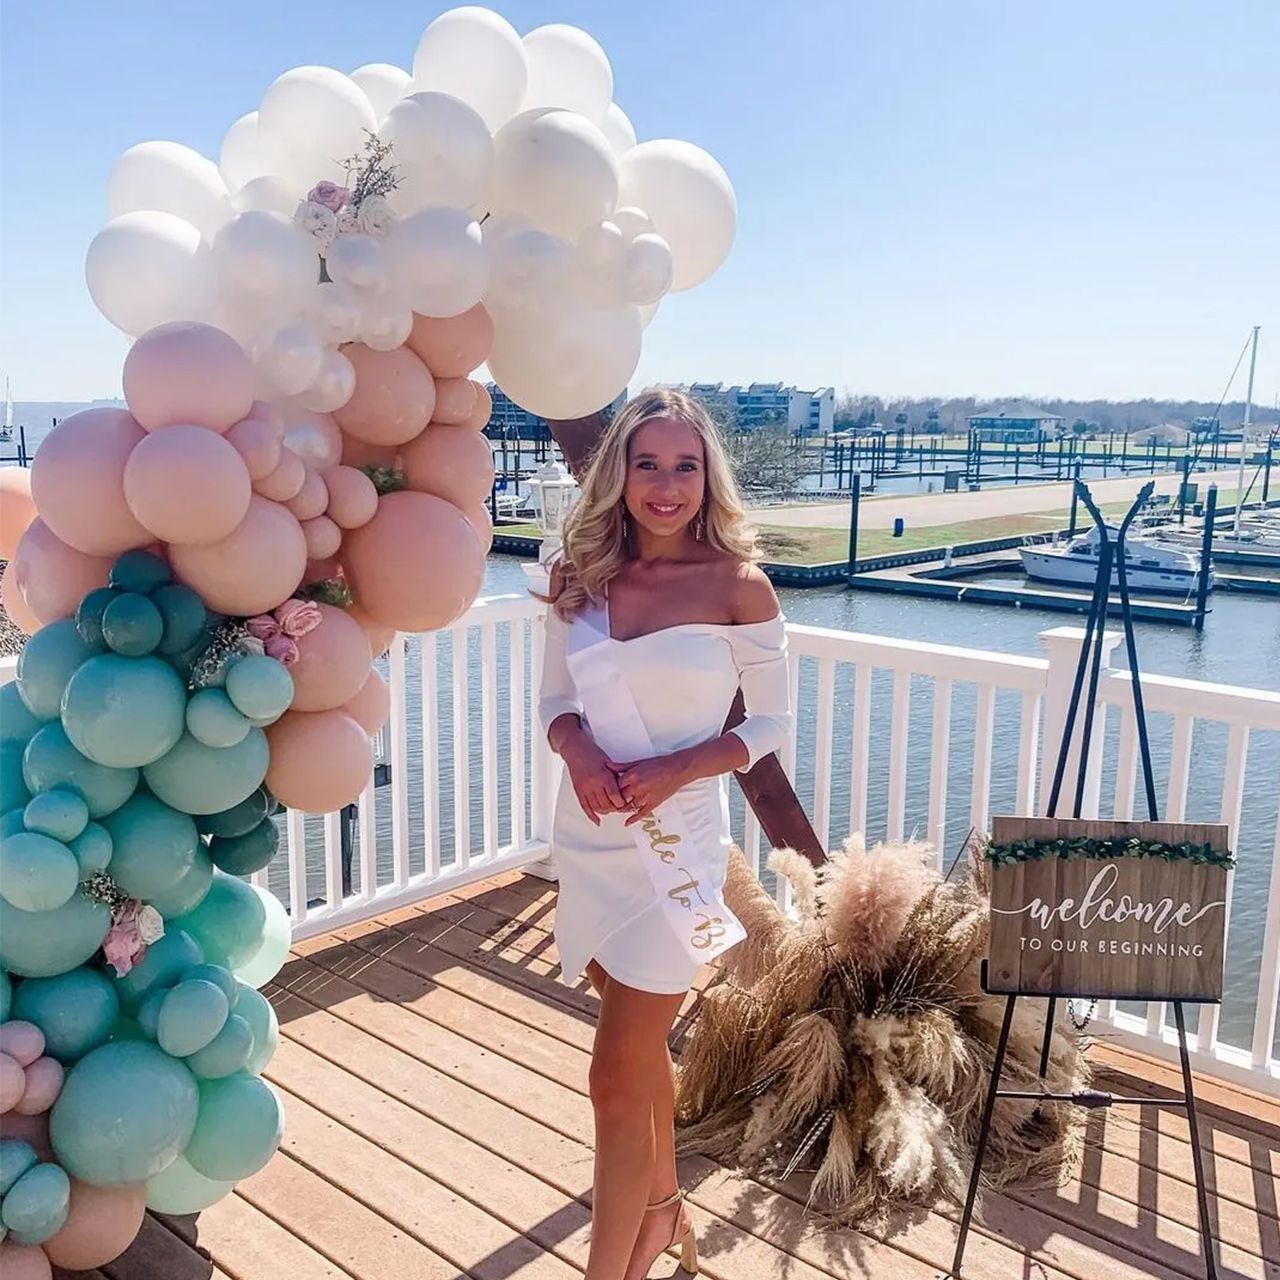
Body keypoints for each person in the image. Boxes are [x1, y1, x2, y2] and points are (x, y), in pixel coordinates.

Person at [537, 387, 792, 1279]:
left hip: (676, 845)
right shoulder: (578, 577)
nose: (667, 484)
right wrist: (574, 752)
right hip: (594, 833)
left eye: (686, 465)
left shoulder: (738, 585)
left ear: (708, 477)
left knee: (612, 1077)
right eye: (648, 464)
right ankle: (659, 1211)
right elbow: (557, 702)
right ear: (620, 474)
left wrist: (679, 766)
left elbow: (768, 726)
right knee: (635, 1048)